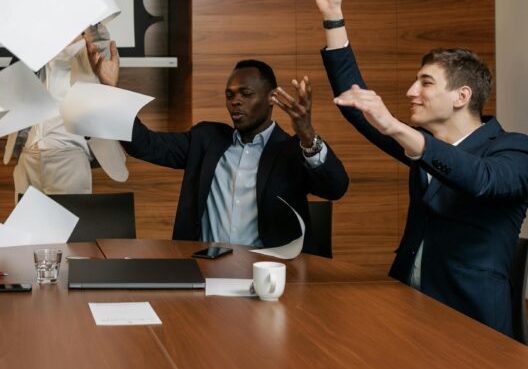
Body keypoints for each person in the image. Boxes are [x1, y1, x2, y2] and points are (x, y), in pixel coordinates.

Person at [310, 0, 528, 336]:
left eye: (425, 83)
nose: (410, 92)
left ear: (461, 96)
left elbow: (481, 180)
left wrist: (397, 128)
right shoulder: (423, 145)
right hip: (405, 303)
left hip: (472, 320)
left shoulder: (516, 149)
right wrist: (333, 15)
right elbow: (357, 106)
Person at [88, 43, 348, 250]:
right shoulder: (206, 139)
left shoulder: (292, 150)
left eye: (246, 94)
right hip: (206, 270)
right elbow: (144, 145)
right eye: (230, 95)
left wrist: (307, 134)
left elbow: (336, 187)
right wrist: (112, 90)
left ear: (272, 98)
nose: (235, 101)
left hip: (269, 274)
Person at [6, 0, 121, 196]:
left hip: (69, 153)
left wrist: (93, 1)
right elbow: (21, 7)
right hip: (29, 152)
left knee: (69, 223)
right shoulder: (35, 40)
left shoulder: (94, 39)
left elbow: (101, 54)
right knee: (25, 223)